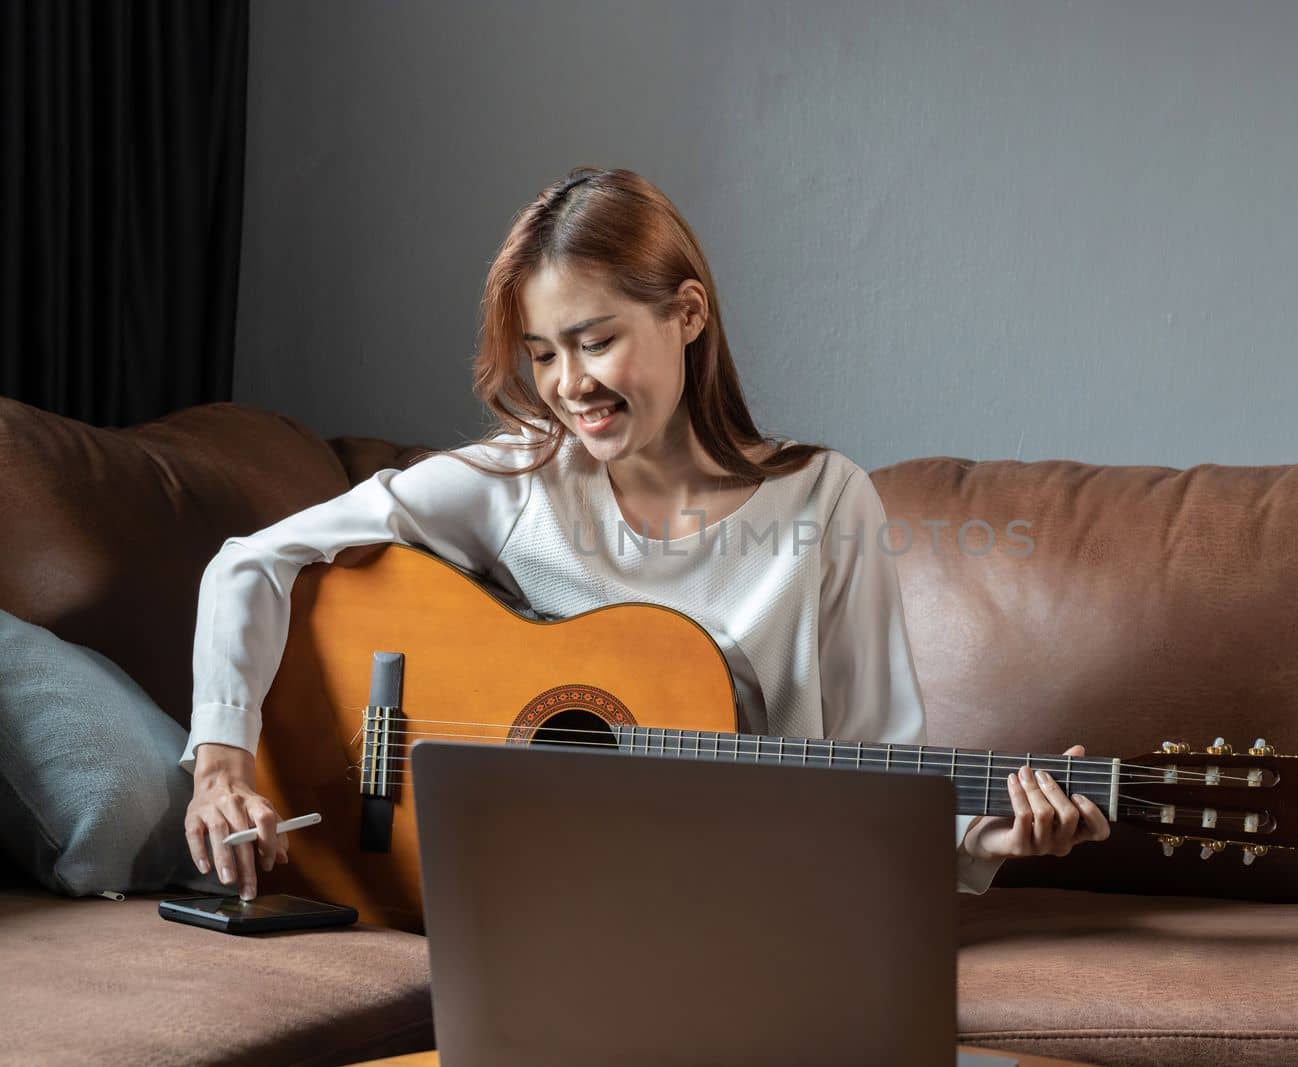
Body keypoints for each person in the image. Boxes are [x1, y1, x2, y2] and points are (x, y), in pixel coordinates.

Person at [182, 166, 1111, 902]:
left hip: (745, 898)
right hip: (541, 892)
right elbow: (252, 560)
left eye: (594, 340)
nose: (566, 383)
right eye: (543, 354)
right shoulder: (519, 482)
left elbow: (880, 768)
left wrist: (986, 833)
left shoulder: (828, 501)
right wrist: (221, 758)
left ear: (688, 314)